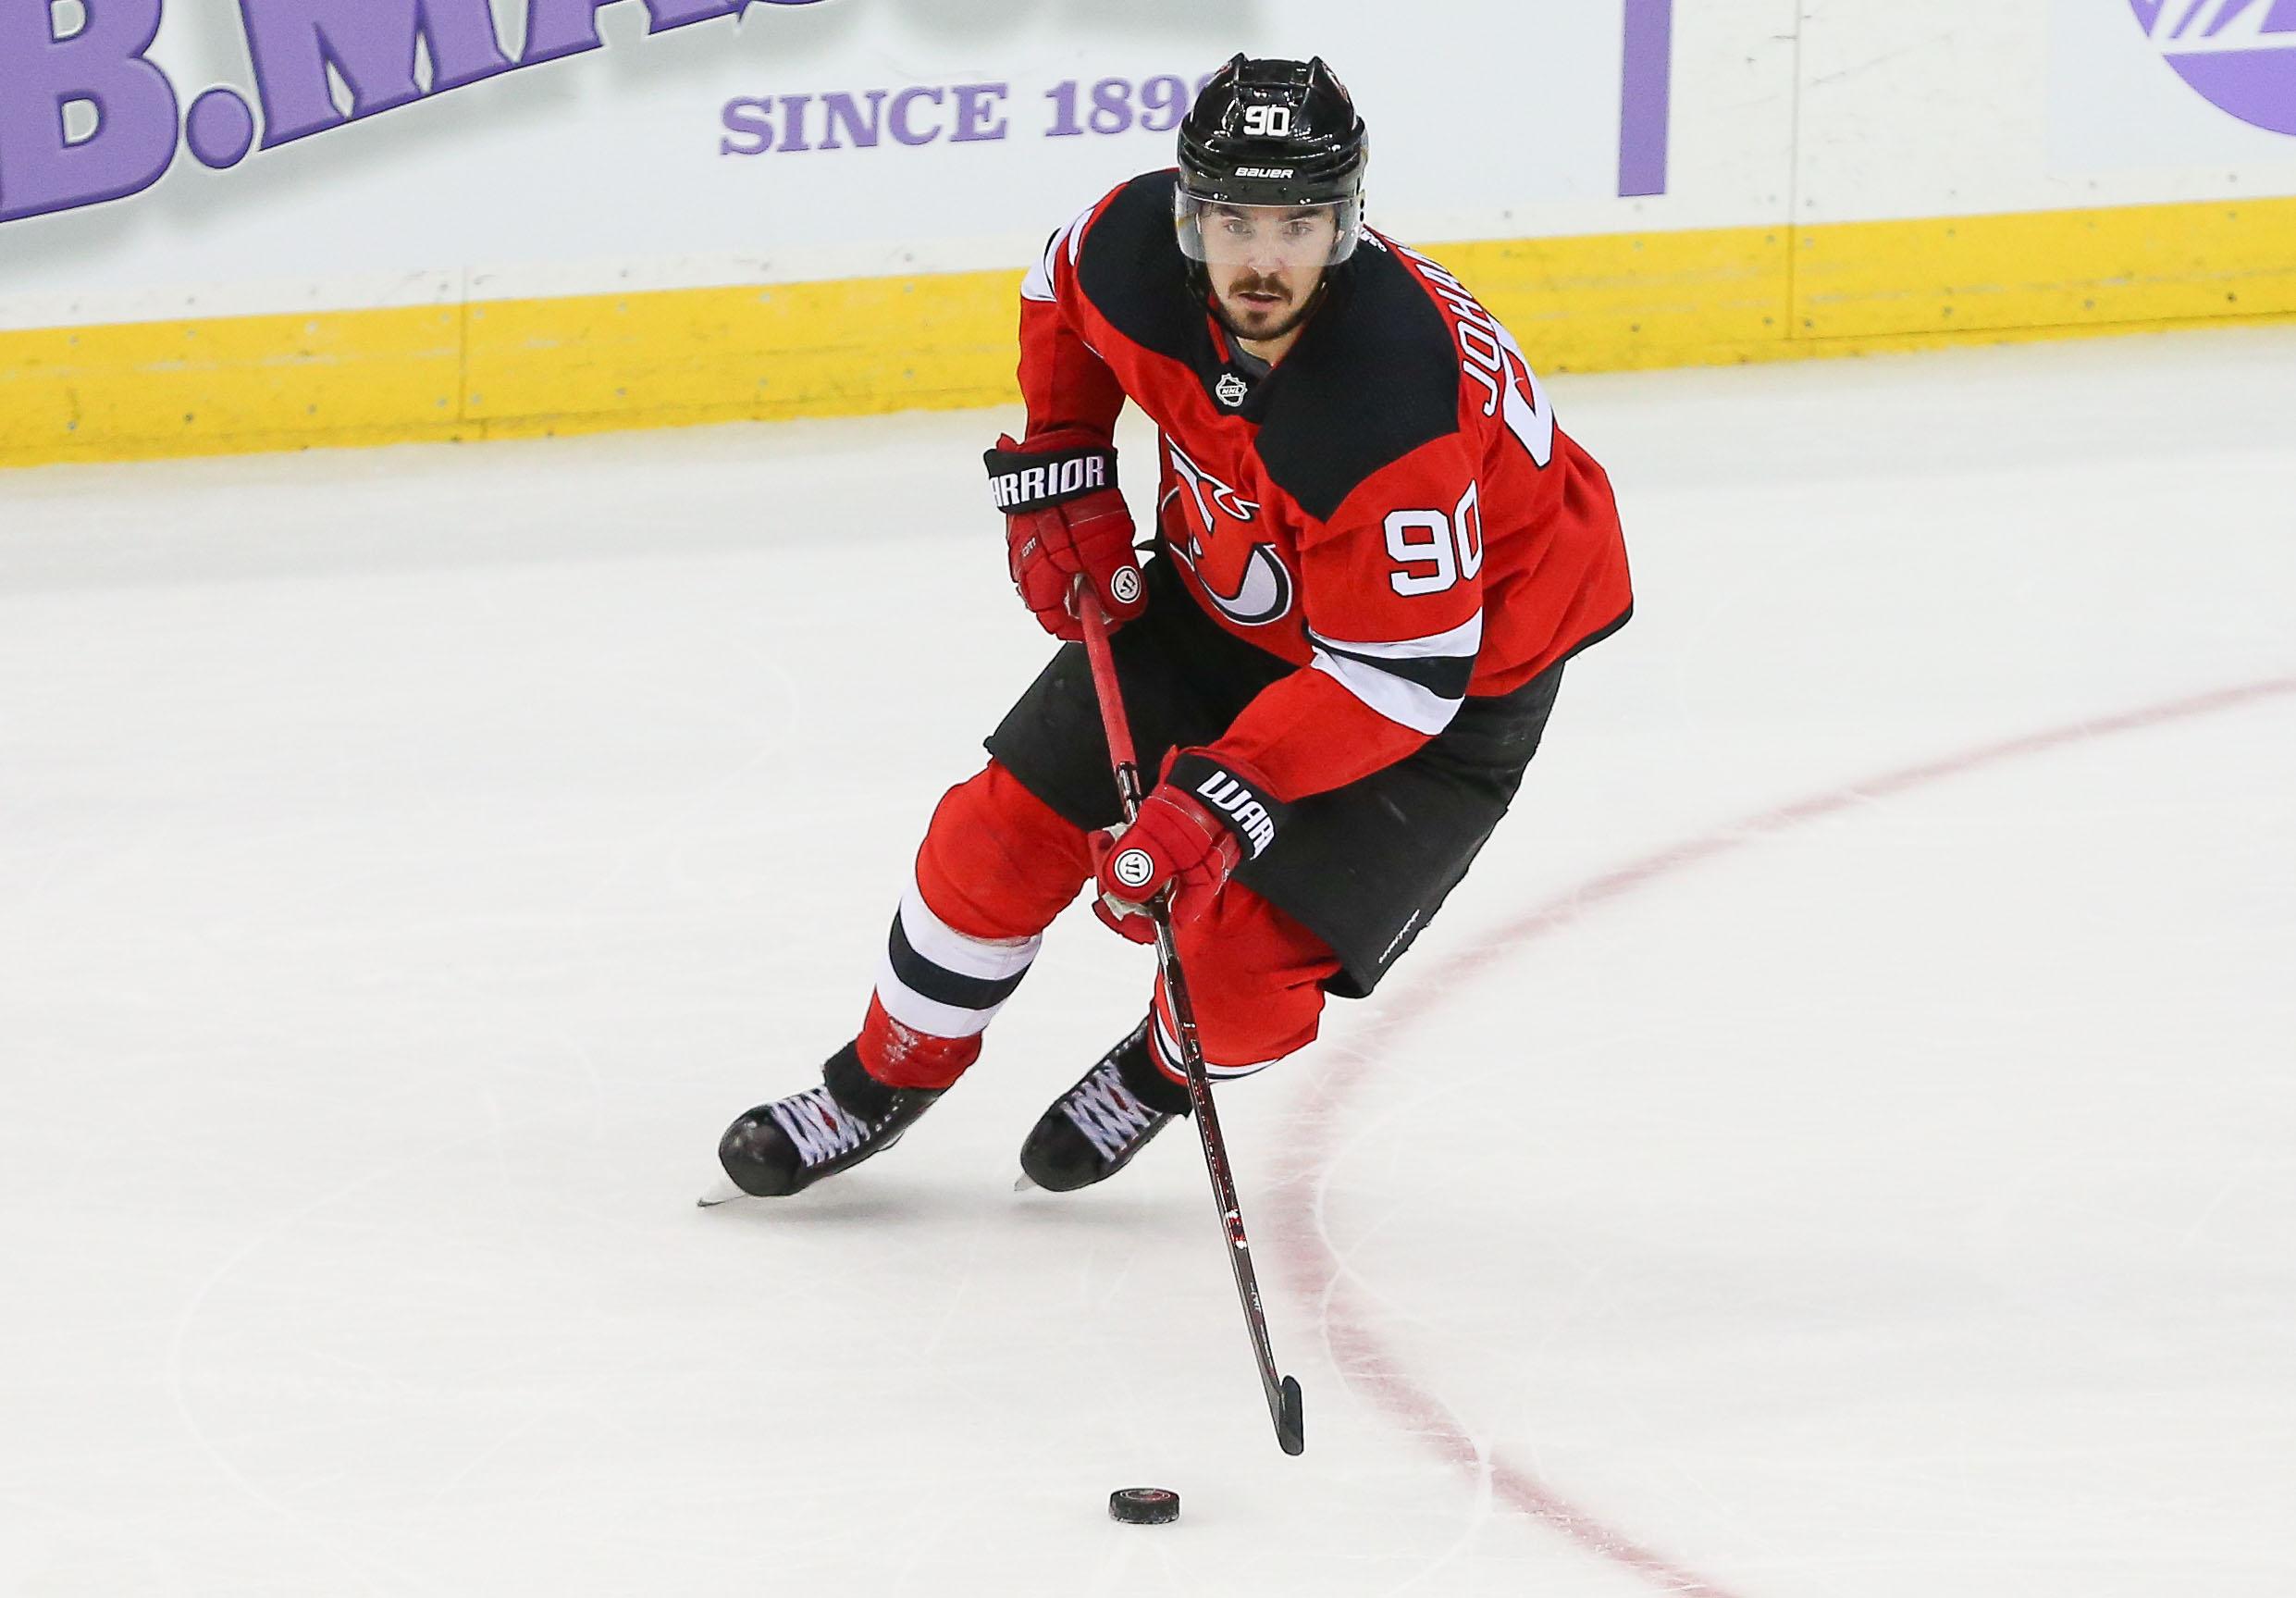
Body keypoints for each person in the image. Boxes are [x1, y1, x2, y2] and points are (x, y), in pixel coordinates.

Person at [714, 55, 1631, 1197]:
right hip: (1233, 599)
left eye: (1298, 223)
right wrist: (1063, 454)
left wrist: (1220, 795)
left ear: (1348, 224)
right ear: (1186, 210)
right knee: (992, 841)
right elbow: (1058, 288)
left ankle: (1159, 1068)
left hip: (1439, 680)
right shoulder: (1135, 250)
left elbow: (1401, 682)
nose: (1261, 258)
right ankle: (879, 1080)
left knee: (1234, 980)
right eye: (1231, 218)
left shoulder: (1387, 414)